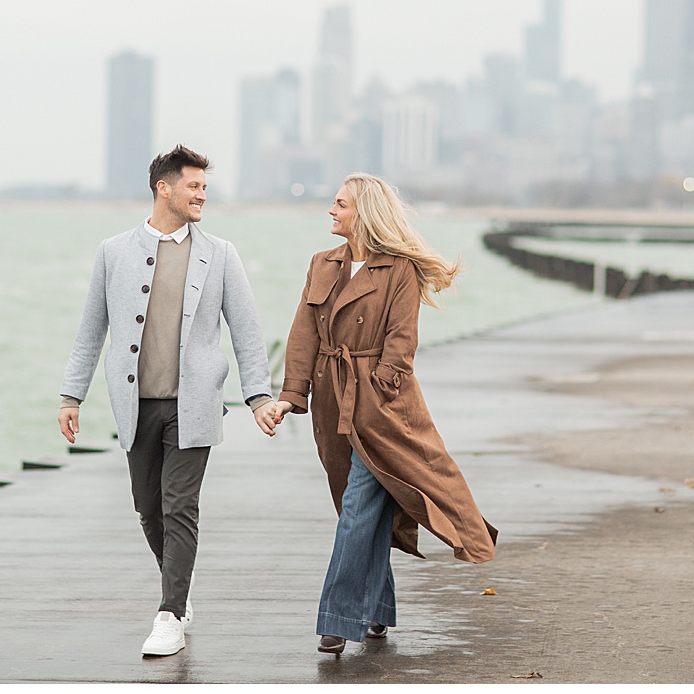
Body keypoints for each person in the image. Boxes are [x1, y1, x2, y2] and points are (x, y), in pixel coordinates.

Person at [256, 173, 498, 657]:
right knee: (362, 507)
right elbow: (303, 333)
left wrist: (379, 389)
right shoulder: (321, 264)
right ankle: (378, 611)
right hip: (331, 401)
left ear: (362, 212)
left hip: (382, 407)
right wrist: (288, 395)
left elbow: (402, 344)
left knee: (357, 507)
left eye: (340, 203)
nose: (331, 209)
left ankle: (338, 617)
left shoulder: (399, 270)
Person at [58, 144, 275, 658]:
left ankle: (170, 613)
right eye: (193, 186)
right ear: (164, 188)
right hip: (137, 404)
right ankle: (179, 584)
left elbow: (246, 331)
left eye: (204, 186)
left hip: (195, 404)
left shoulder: (220, 254)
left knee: (180, 506)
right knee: (147, 509)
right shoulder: (113, 251)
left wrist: (259, 394)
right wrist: (72, 395)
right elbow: (92, 329)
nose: (202, 194)